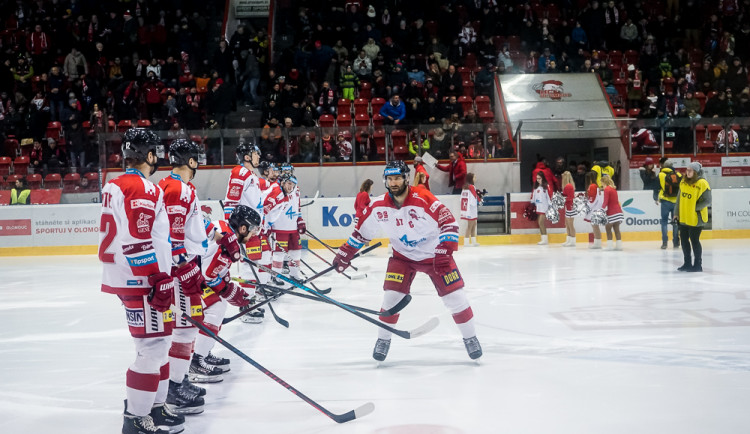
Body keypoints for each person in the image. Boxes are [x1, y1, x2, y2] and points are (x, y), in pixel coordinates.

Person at [332, 161, 482, 361]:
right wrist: (345, 252)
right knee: (390, 299)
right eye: (390, 178)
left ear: (407, 178)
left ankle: (470, 338)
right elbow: (361, 233)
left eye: (397, 178)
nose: (393, 182)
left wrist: (444, 252)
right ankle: (383, 340)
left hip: (435, 256)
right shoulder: (378, 206)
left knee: (456, 298)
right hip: (403, 258)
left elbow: (450, 224)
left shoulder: (423, 198)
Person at [99, 128, 184, 434]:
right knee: (151, 349)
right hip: (142, 281)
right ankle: (136, 418)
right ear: (149, 155)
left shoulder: (115, 185)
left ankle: (155, 409)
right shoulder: (142, 188)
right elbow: (137, 241)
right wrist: (157, 278)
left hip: (132, 278)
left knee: (159, 345)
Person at [157, 139, 212, 414]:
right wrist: (186, 269)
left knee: (187, 326)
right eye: (196, 158)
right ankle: (174, 387)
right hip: (180, 269)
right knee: (184, 326)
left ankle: (179, 378)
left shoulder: (181, 186)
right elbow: (173, 240)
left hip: (185, 265)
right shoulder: (178, 188)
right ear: (190, 161)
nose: (199, 161)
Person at [192, 205, 260, 380]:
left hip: (193, 273)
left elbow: (217, 271)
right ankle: (196, 361)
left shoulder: (225, 230)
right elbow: (208, 275)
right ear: (243, 228)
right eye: (252, 230)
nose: (253, 235)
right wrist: (229, 291)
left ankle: (204, 352)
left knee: (219, 307)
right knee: (215, 308)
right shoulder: (225, 243)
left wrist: (229, 284)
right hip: (190, 278)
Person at [223, 142, 266, 312]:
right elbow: (231, 202)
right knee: (248, 266)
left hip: (251, 228)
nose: (258, 156)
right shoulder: (240, 172)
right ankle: (246, 305)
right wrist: (231, 230)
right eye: (256, 153)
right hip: (244, 229)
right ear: (247, 156)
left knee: (252, 264)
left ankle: (250, 299)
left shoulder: (251, 175)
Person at [264, 173, 306, 283]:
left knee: (296, 252)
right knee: (278, 254)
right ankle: (276, 276)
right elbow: (265, 209)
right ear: (282, 182)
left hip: (293, 228)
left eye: (292, 184)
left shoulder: (296, 190)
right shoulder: (276, 191)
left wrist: (300, 220)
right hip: (279, 228)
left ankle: (294, 275)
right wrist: (266, 226)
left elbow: (297, 207)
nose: (291, 187)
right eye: (288, 183)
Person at [675, 162, 711, 272]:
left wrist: (694, 208)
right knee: (684, 240)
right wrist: (676, 213)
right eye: (687, 170)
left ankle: (697, 265)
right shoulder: (683, 181)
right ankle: (687, 263)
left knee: (694, 240)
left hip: (696, 218)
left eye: (690, 170)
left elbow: (707, 200)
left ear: (696, 172)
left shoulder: (702, 183)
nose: (688, 172)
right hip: (684, 217)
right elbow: (679, 199)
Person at [657, 159, 681, 249]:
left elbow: (657, 187)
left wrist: (656, 197)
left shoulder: (660, 174)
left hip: (665, 201)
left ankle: (664, 243)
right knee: (675, 222)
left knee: (664, 222)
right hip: (676, 202)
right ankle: (675, 242)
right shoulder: (678, 174)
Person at [601, 176, 624, 250]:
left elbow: (605, 201)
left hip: (612, 212)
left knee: (608, 228)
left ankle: (610, 246)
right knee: (616, 229)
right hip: (618, 211)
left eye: (601, 182)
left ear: (604, 182)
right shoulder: (613, 189)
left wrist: (601, 209)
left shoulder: (607, 189)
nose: (601, 184)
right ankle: (619, 246)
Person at [584, 171, 604, 249]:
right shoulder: (595, 186)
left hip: (594, 209)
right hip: (596, 208)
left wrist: (587, 207)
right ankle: (597, 242)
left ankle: (598, 243)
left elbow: (592, 199)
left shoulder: (592, 186)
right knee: (595, 226)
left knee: (595, 226)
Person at [531, 172, 553, 245]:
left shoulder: (546, 186)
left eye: (539, 178)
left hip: (544, 207)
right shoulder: (536, 187)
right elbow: (534, 196)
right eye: (537, 178)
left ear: (543, 178)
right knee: (539, 223)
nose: (538, 180)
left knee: (541, 222)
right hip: (538, 207)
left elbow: (549, 196)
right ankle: (543, 239)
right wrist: (532, 202)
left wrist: (550, 205)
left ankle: (545, 239)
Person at [460, 173, 479, 247]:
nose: (475, 178)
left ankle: (474, 241)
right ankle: (466, 242)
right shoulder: (471, 187)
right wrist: (478, 200)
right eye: (474, 177)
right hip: (471, 208)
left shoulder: (465, 187)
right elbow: (474, 197)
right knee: (470, 225)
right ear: (471, 178)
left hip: (468, 208)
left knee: (474, 224)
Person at [561, 171, 577, 247]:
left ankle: (572, 240)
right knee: (567, 224)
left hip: (570, 207)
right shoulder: (568, 186)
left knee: (570, 224)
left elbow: (570, 198)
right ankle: (569, 240)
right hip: (568, 207)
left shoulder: (568, 186)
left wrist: (563, 199)